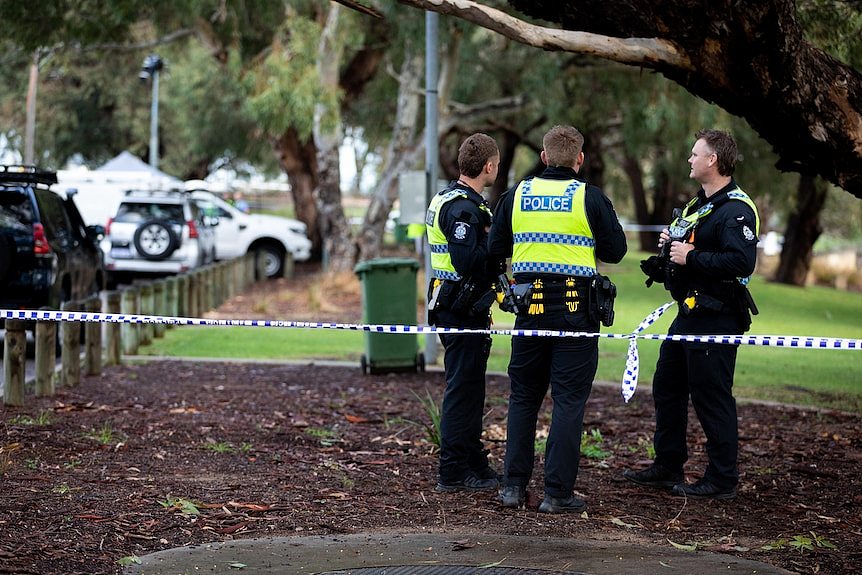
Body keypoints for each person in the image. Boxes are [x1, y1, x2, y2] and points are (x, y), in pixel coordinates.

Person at [488, 125, 627, 513]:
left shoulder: (517, 194)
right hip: (575, 313)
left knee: (523, 399)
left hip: (528, 310)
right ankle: (556, 494)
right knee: (568, 402)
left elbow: (494, 248)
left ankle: (512, 488)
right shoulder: (590, 197)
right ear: (579, 160)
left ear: (545, 157)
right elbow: (616, 251)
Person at [624, 129, 760, 500]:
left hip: (717, 314)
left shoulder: (736, 208)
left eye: (695, 153)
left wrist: (691, 256)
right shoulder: (698, 205)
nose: (689, 159)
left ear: (713, 160)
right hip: (689, 312)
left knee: (711, 395)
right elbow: (687, 246)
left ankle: (722, 479)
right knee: (667, 386)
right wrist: (671, 248)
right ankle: (668, 465)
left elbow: (742, 260)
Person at [425, 133, 502, 492]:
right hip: (459, 308)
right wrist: (497, 253)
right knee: (462, 389)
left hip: (455, 304)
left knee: (470, 388)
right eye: (497, 165)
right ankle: (453, 470)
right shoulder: (463, 208)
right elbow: (466, 260)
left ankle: (473, 463)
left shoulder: (449, 197)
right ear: (488, 166)